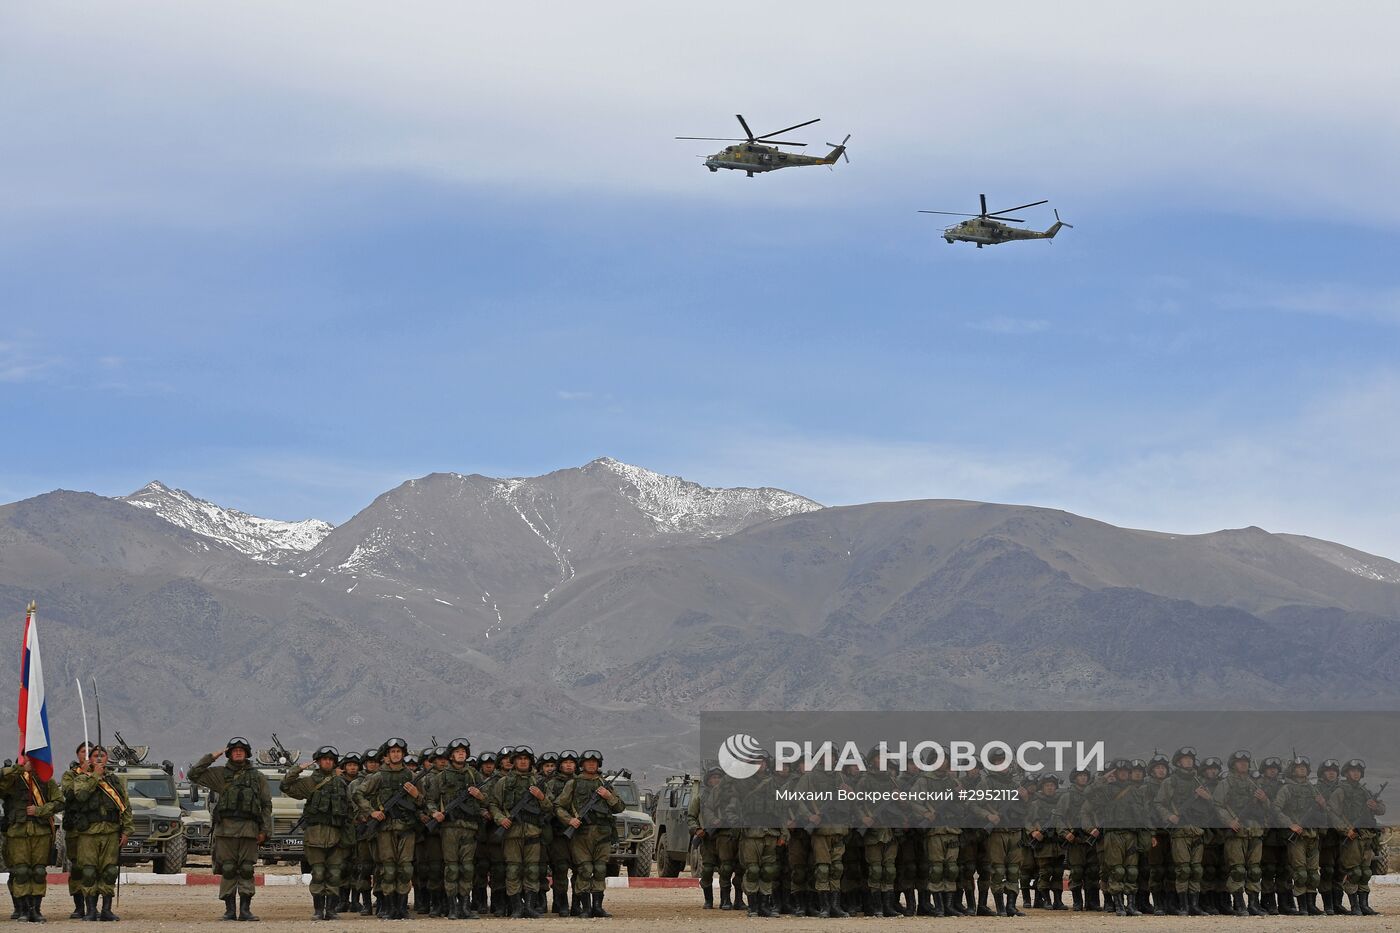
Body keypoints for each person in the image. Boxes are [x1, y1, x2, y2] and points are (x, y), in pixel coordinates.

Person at [190, 736, 271, 921]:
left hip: (249, 830)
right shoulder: (219, 774)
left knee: (246, 869)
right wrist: (212, 756)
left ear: (247, 753)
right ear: (228, 754)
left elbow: (266, 805)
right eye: (234, 750)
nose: (238, 752)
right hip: (225, 831)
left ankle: (245, 910)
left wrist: (265, 831)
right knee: (227, 868)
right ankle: (229, 911)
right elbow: (193, 774)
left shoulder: (258, 777)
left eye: (241, 750)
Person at [350, 737, 424, 921]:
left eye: (399, 751)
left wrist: (416, 795)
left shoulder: (412, 777)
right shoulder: (378, 776)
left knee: (405, 869)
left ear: (404, 754)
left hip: (407, 827)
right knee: (388, 869)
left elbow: (424, 803)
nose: (396, 754)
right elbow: (358, 793)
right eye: (393, 752)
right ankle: (390, 908)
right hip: (385, 828)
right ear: (387, 755)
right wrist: (372, 812)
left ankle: (402, 908)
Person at [280, 746, 353, 920]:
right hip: (315, 835)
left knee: (335, 874)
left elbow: (349, 810)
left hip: (336, 834)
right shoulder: (310, 783)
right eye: (324, 759)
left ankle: (331, 910)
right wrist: (298, 769)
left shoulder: (342, 783)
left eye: (330, 759)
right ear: (318, 762)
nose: (327, 761)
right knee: (318, 873)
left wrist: (350, 837)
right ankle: (319, 910)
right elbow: (285, 786)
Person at [554, 749, 624, 918]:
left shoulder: (605, 784)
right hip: (582, 834)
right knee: (585, 870)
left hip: (603, 833)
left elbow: (619, 807)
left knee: (600, 869)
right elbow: (558, 806)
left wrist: (609, 796)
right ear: (582, 764)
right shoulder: (574, 784)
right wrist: (570, 820)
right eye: (588, 762)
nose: (591, 764)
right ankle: (585, 907)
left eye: (594, 762)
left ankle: (598, 907)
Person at [65, 746, 132, 922]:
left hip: (111, 832)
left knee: (109, 871)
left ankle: (107, 910)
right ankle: (91, 910)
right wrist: (94, 775)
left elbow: (125, 806)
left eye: (102, 756)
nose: (100, 759)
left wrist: (126, 830)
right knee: (88, 872)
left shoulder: (114, 780)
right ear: (90, 759)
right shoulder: (81, 778)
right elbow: (80, 796)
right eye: (96, 756)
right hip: (89, 833)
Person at [488, 746, 552, 918]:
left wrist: (541, 797)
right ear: (514, 761)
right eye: (519, 758)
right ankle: (516, 907)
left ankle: (530, 907)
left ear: (530, 761)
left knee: (532, 870)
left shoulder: (539, 783)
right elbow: (493, 805)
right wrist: (501, 819)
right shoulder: (503, 783)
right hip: (511, 834)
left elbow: (550, 807)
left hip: (533, 833)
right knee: (513, 870)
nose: (523, 761)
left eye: (526, 758)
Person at [0, 755, 63, 922]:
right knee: (21, 872)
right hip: (17, 833)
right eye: (26, 758)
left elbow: (59, 802)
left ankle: (36, 910)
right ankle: (22, 910)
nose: (30, 762)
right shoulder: (12, 779)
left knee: (38, 872)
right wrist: (20, 769)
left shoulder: (45, 779)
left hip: (41, 832)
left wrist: (40, 810)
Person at [429, 738, 485, 919]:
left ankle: (465, 907)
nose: (461, 754)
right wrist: (434, 813)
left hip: (469, 826)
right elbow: (430, 800)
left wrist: (480, 796)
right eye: (457, 751)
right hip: (450, 827)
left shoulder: (474, 775)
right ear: (451, 755)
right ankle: (453, 907)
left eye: (463, 751)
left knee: (467, 868)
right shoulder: (442, 777)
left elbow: (487, 799)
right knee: (452, 868)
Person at [1329, 758, 1386, 916]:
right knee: (1353, 872)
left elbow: (1382, 809)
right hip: (1352, 837)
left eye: (1358, 772)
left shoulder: (1364, 791)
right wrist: (1345, 830)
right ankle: (1355, 906)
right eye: (1353, 771)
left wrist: (1376, 806)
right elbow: (1332, 813)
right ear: (1346, 773)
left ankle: (1364, 905)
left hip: (1366, 836)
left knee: (1365, 872)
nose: (1356, 774)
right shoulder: (1341, 791)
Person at [59, 743, 92, 919]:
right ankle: (79, 907)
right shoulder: (69, 775)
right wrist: (83, 776)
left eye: (89, 752)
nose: (86, 755)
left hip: (94, 829)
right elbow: (69, 793)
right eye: (82, 752)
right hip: (75, 828)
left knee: (93, 869)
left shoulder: (103, 775)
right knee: (78, 868)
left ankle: (93, 906)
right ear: (77, 755)